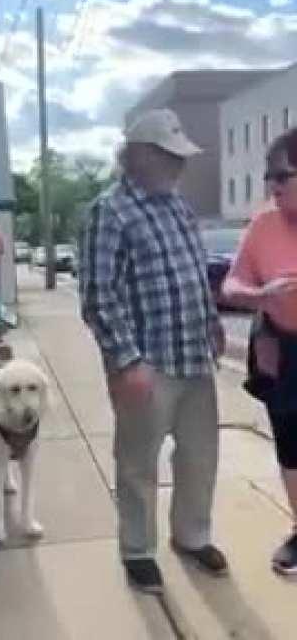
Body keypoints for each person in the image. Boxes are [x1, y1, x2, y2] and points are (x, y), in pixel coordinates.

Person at [79, 108, 228, 593]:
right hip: (146, 365)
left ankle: (191, 536)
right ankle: (138, 550)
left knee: (200, 456)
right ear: (139, 156)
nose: (180, 165)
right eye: (169, 156)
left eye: (181, 156)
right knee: (138, 463)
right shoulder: (110, 211)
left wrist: (212, 323)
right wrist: (127, 362)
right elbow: (99, 294)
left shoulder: (179, 206)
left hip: (193, 358)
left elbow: (193, 271)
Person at [223, 127, 297, 576]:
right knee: (291, 447)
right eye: (268, 176)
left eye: (281, 175)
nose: (272, 185)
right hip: (282, 348)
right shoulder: (263, 223)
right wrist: (259, 295)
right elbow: (232, 283)